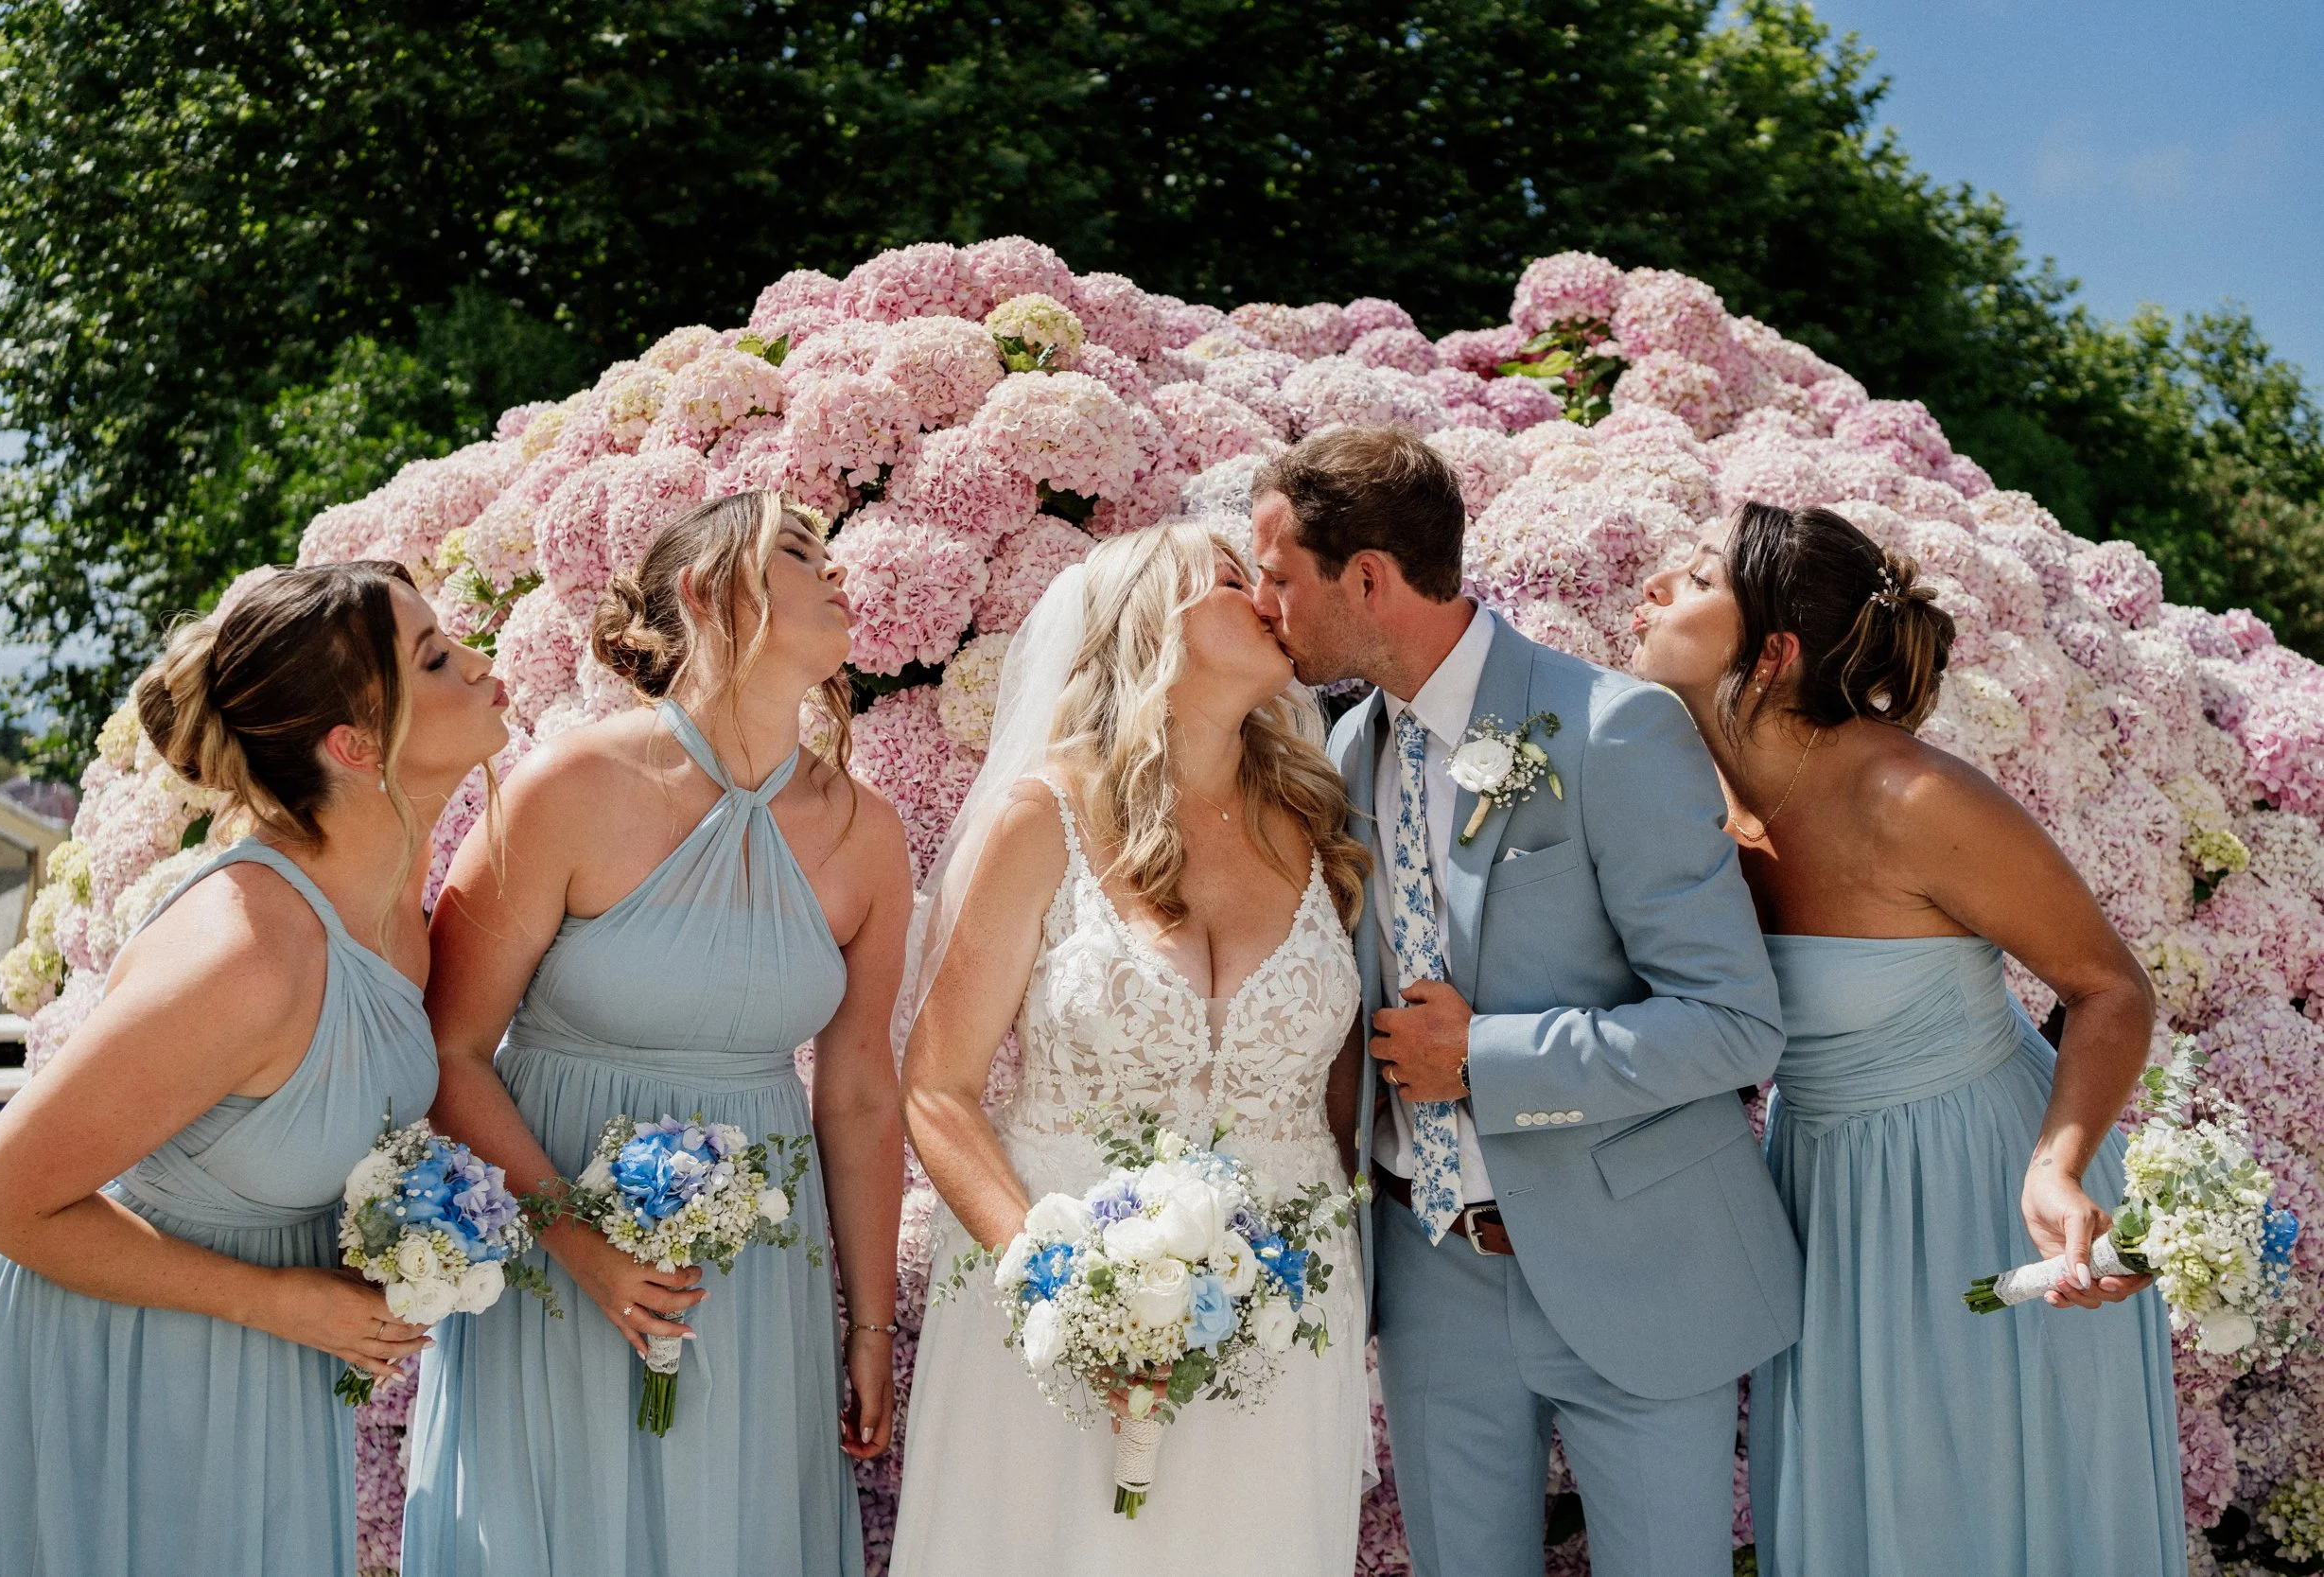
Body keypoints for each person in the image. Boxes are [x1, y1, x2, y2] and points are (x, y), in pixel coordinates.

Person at [1249, 427, 1803, 1577]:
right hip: (1427, 1267)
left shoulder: (1609, 728)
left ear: (1367, 578)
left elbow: (1734, 1019)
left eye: (1279, 574)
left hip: (1638, 1264)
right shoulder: (1347, 751)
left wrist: (1488, 1057)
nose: (1263, 603)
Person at [1631, 500, 2184, 1577]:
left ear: (1776, 653)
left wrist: (2055, 1166)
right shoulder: (1669, 785)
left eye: (1696, 579)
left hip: (1986, 1188)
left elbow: (2109, 986)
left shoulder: (1910, 796)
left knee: (1982, 1503)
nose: (1656, 583)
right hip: (1826, 1203)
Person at [0, 561, 506, 1576]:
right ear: (353, 745)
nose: (482, 663)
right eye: (435, 657)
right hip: (108, 1366)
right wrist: (285, 1303)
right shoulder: (248, 954)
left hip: (256, 1361)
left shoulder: (396, 919)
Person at [400, 491, 909, 1577]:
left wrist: (868, 1327)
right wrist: (576, 1240)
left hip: (759, 1284)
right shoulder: (569, 787)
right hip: (558, 1255)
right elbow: (446, 1050)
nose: (839, 571)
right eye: (798, 551)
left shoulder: (869, 833)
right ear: (703, 589)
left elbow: (860, 1087)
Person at [890, 520, 1374, 1575]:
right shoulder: (1045, 816)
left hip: (1284, 1297)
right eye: (1236, 580)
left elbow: (1343, 1095)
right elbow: (938, 1085)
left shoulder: (1317, 812)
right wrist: (1061, 1284)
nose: (1271, 600)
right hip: (1060, 1296)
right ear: (1151, 619)